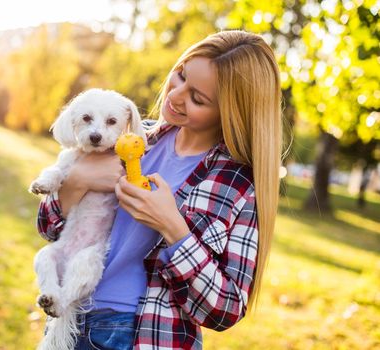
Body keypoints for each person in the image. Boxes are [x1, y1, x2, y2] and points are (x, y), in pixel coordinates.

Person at [36, 30, 283, 349]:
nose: (175, 96)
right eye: (180, 76)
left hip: (142, 335)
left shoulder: (237, 185)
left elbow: (225, 310)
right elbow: (48, 227)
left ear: (230, 112)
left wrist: (173, 227)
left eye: (197, 98)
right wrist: (78, 180)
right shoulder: (129, 141)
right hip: (68, 322)